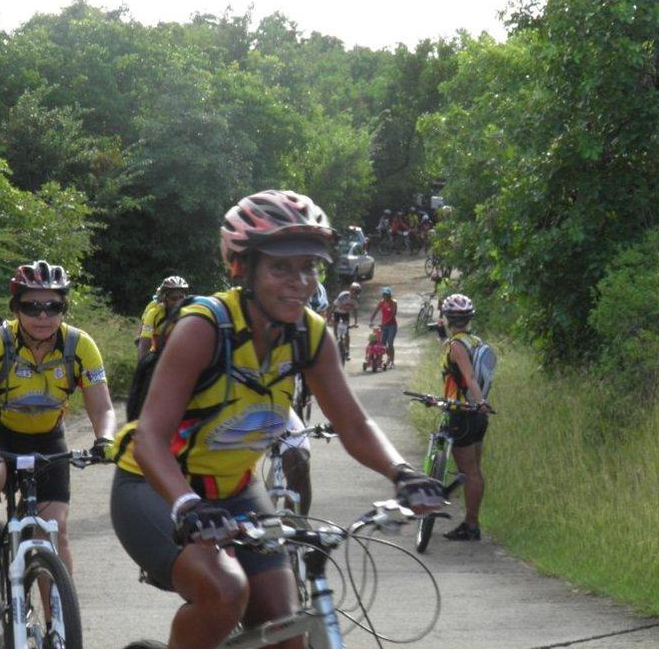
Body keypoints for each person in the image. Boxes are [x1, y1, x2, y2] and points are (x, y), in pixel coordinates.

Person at [109, 189, 444, 649]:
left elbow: (355, 425)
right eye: (281, 267)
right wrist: (187, 507)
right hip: (155, 488)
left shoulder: (310, 335)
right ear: (243, 269)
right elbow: (148, 439)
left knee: (287, 631)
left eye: (309, 266)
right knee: (225, 591)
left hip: (235, 490)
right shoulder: (205, 328)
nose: (299, 281)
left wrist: (402, 473)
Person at [0, 260, 116, 600]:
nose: (42, 315)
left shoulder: (80, 346)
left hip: (46, 435)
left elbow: (102, 407)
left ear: (64, 308)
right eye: (31, 306)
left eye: (53, 306)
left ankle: (59, 628)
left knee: (54, 532)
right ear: (16, 308)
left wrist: (105, 438)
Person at [439, 293, 490, 542]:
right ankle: (473, 522)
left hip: (462, 412)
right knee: (475, 471)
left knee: (468, 471)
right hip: (480, 417)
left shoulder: (456, 346)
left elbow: (469, 377)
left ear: (448, 318)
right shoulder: (476, 341)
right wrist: (482, 404)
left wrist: (477, 401)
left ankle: (470, 526)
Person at [138, 275, 191, 361]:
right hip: (154, 346)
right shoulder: (154, 313)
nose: (178, 302)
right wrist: (142, 366)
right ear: (164, 299)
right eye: (173, 298)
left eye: (181, 297)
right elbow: (145, 343)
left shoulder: (188, 313)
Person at [369, 286, 398, 369]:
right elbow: (375, 311)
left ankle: (392, 361)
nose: (384, 297)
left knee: (390, 343)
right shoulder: (381, 302)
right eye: (383, 295)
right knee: (382, 343)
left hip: (392, 326)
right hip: (384, 326)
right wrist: (371, 320)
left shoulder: (393, 302)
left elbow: (393, 315)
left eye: (386, 295)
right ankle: (379, 361)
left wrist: (384, 323)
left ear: (389, 295)